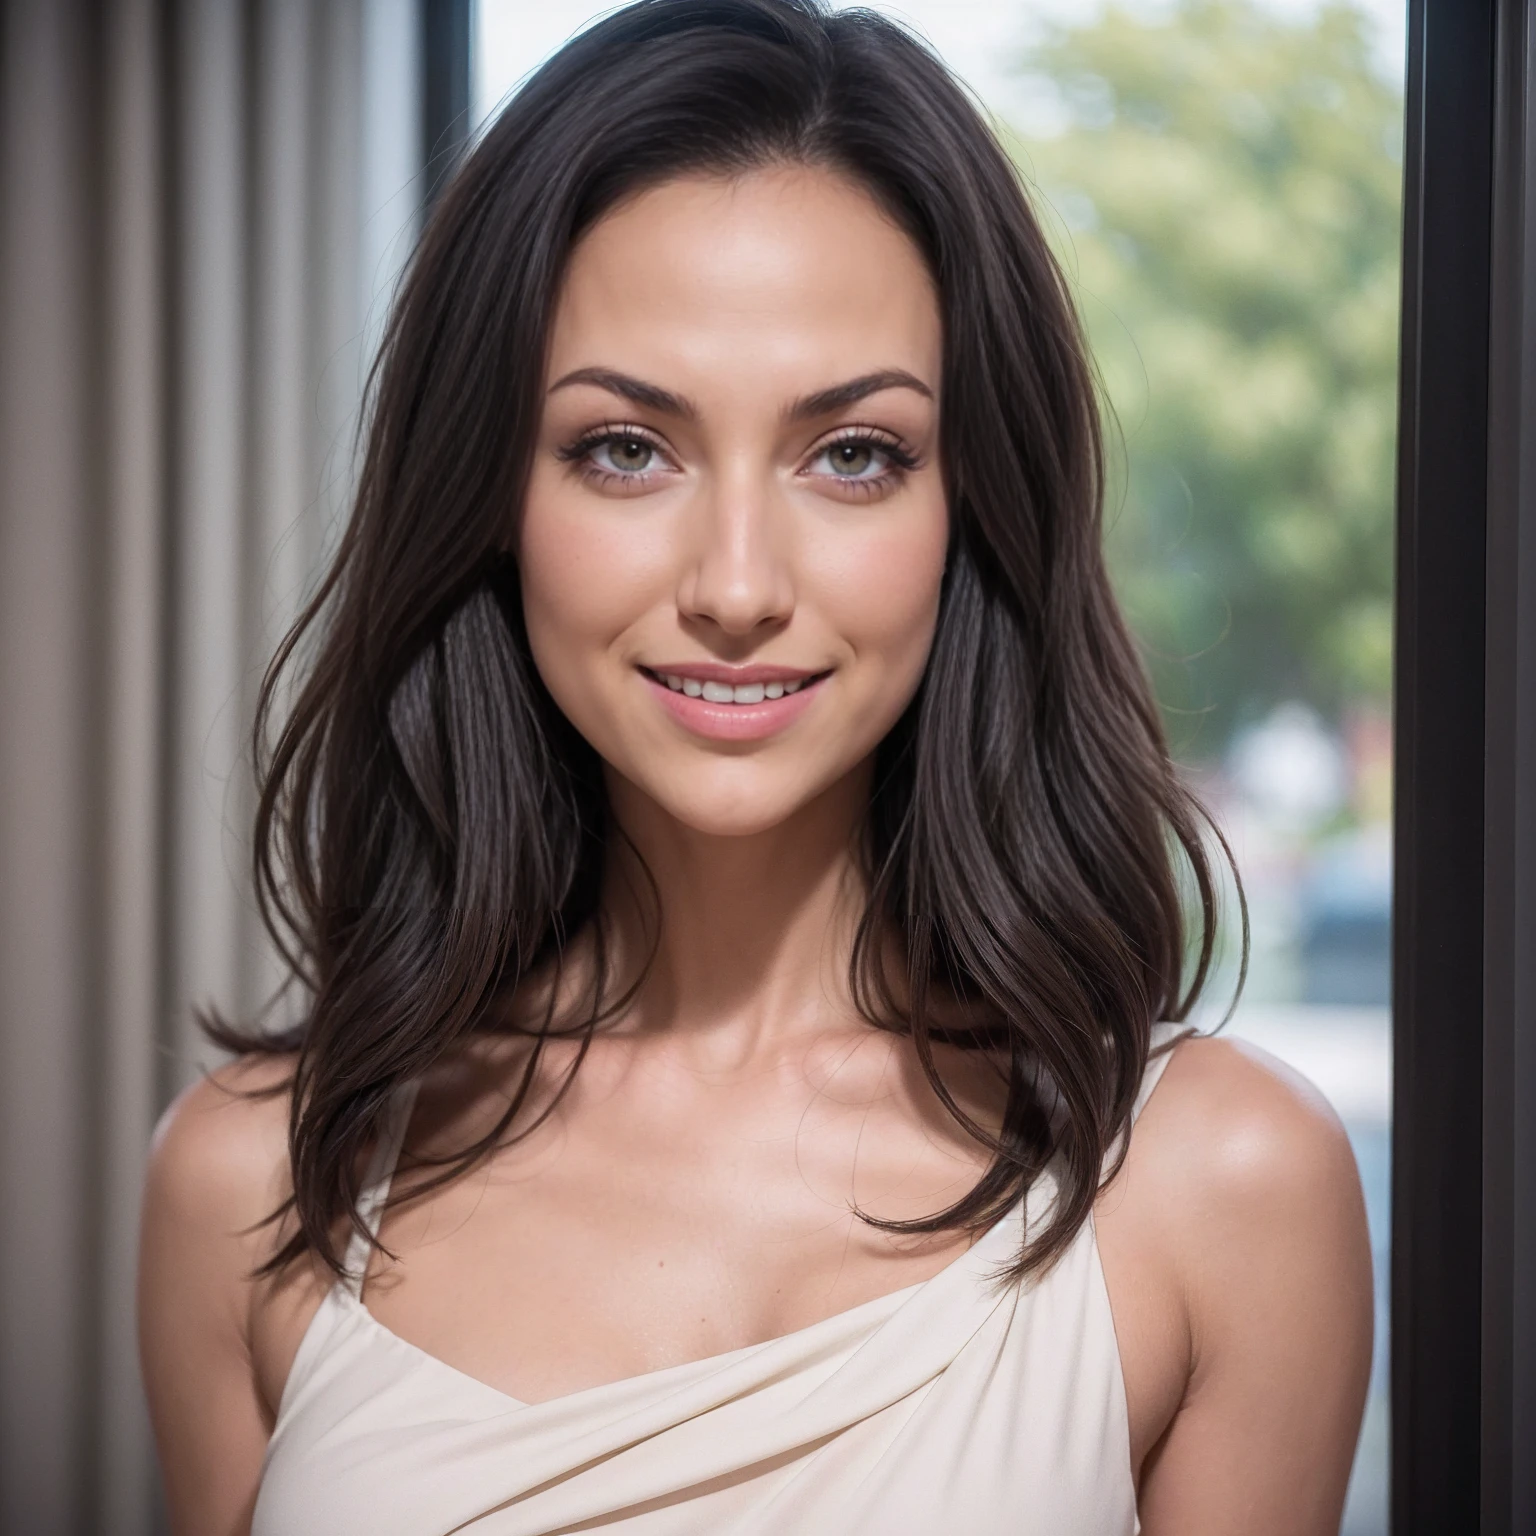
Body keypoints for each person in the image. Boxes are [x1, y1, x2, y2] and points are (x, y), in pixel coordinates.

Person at [138, 2, 1373, 1531]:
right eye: (625, 448)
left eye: (853, 453)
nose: (735, 583)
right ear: (490, 492)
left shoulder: (1225, 1187)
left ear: (970, 510)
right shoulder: (250, 1181)